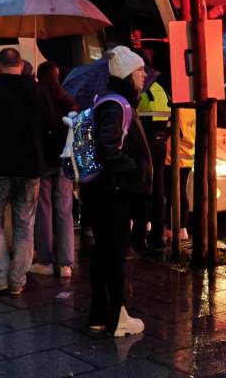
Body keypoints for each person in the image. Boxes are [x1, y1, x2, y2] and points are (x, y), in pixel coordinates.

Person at [0, 48, 55, 295]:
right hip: (31, 170)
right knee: (24, 225)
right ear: (20, 64)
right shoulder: (38, 91)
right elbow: (51, 126)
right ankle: (18, 280)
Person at [85, 46, 152, 337]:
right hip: (112, 193)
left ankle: (98, 315)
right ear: (126, 74)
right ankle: (118, 317)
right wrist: (134, 167)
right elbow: (108, 148)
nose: (143, 76)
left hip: (103, 192)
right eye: (139, 71)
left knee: (103, 254)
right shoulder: (116, 105)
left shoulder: (109, 102)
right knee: (113, 255)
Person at [30, 61, 78, 278]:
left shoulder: (38, 99)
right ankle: (66, 263)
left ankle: (45, 260)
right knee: (65, 209)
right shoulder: (68, 100)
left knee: (44, 209)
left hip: (43, 160)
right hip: (65, 159)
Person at [135, 67, 170, 252]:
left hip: (146, 144)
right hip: (161, 143)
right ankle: (158, 234)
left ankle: (140, 236)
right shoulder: (161, 91)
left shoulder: (142, 93)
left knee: (142, 190)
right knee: (158, 189)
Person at [163, 108, 195, 243]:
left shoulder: (178, 110)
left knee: (173, 194)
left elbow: (171, 131)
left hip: (173, 158)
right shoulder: (192, 110)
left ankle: (172, 229)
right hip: (187, 157)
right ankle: (182, 229)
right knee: (181, 193)